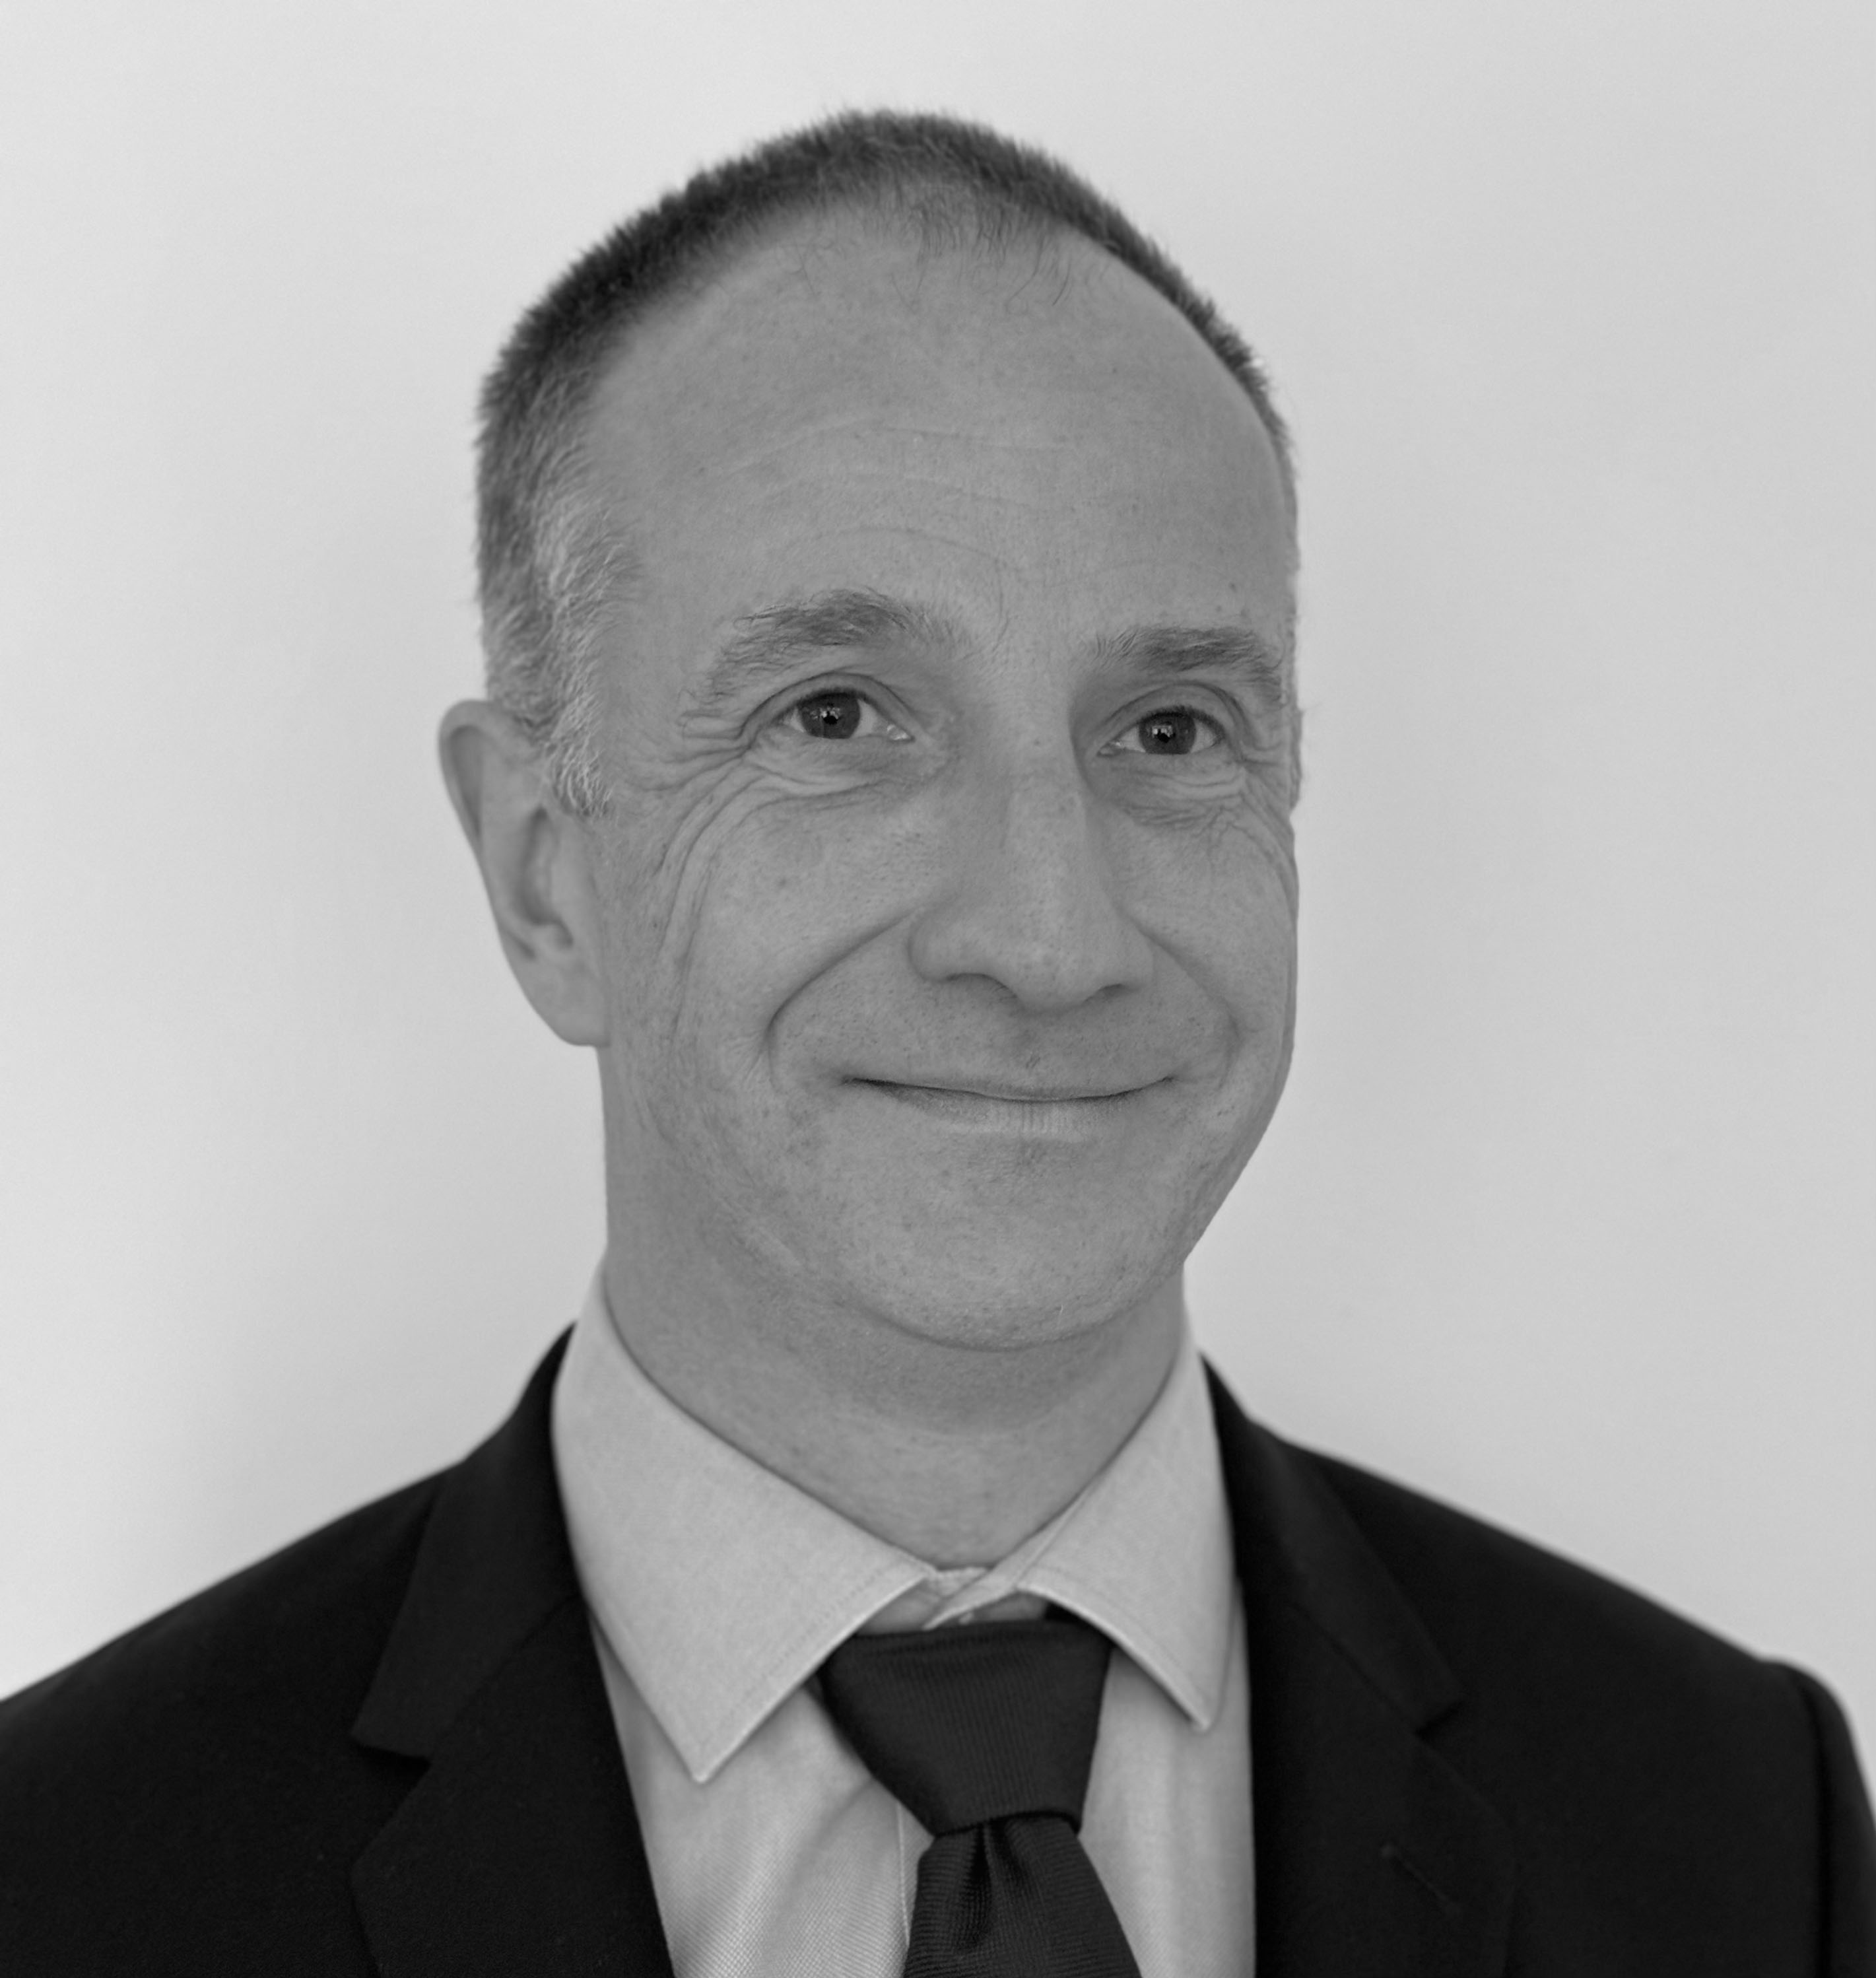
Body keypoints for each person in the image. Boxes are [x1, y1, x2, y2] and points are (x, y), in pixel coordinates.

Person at [0, 110, 1869, 1978]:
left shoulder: (1738, 1829)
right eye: (837, 717)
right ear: (541, 871)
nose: (1050, 943)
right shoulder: (63, 1877)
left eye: (1169, 730)